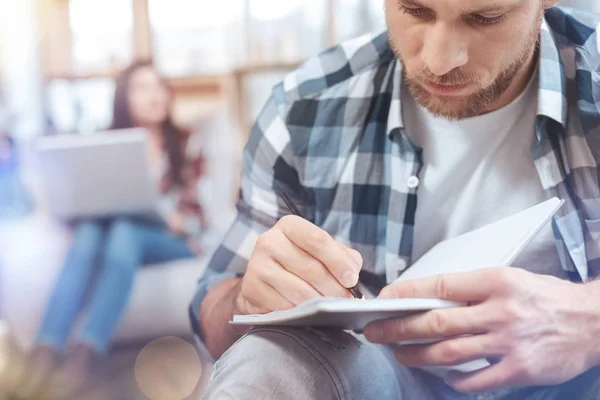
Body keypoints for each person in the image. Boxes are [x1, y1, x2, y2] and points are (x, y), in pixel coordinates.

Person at [191, 1, 600, 399]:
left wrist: (588, 318)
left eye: (484, 17)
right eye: (414, 10)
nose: (440, 61)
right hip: (375, 376)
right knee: (268, 361)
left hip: (575, 382)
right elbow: (210, 318)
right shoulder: (305, 108)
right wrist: (249, 297)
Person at [15, 60, 206, 399]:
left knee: (123, 231)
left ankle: (83, 354)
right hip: (114, 235)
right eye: (143, 88)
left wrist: (175, 218)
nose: (155, 96)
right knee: (92, 232)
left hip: (173, 239)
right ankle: (46, 351)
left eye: (160, 86)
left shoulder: (187, 143)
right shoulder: (105, 144)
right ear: (124, 98)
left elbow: (199, 217)